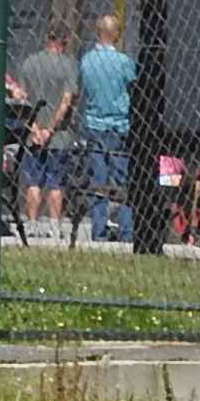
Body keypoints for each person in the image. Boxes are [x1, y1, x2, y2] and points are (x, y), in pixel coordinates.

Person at [76, 15, 137, 244]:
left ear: (97, 32)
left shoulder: (87, 61)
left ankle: (99, 230)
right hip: (119, 124)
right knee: (122, 179)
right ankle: (126, 229)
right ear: (117, 35)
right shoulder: (123, 62)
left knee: (98, 179)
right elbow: (133, 85)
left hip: (94, 123)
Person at [15, 27, 78, 236]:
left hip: (32, 133)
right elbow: (66, 100)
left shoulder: (29, 63)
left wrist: (35, 128)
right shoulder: (69, 65)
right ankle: (54, 225)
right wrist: (50, 129)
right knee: (55, 183)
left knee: (32, 182)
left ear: (47, 38)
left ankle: (31, 224)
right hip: (59, 135)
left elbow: (22, 99)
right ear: (65, 40)